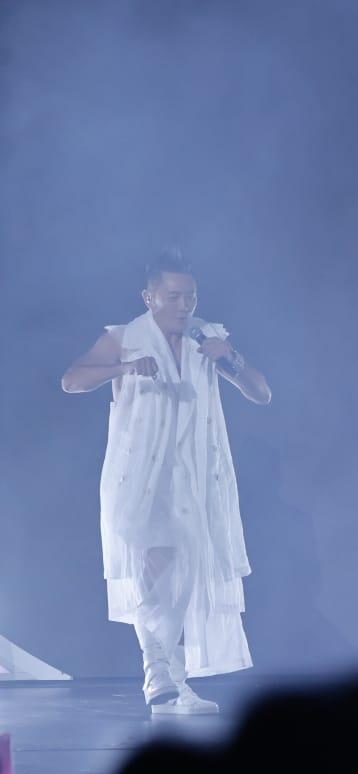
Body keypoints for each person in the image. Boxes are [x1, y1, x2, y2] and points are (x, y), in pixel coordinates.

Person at [61, 248, 271, 715]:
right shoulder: (123, 338)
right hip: (137, 475)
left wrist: (230, 358)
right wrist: (124, 368)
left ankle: (171, 684)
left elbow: (261, 393)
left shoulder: (209, 338)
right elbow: (71, 380)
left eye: (190, 297)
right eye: (173, 296)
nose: (184, 306)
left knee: (184, 577)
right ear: (149, 297)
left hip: (194, 477)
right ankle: (158, 673)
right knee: (155, 565)